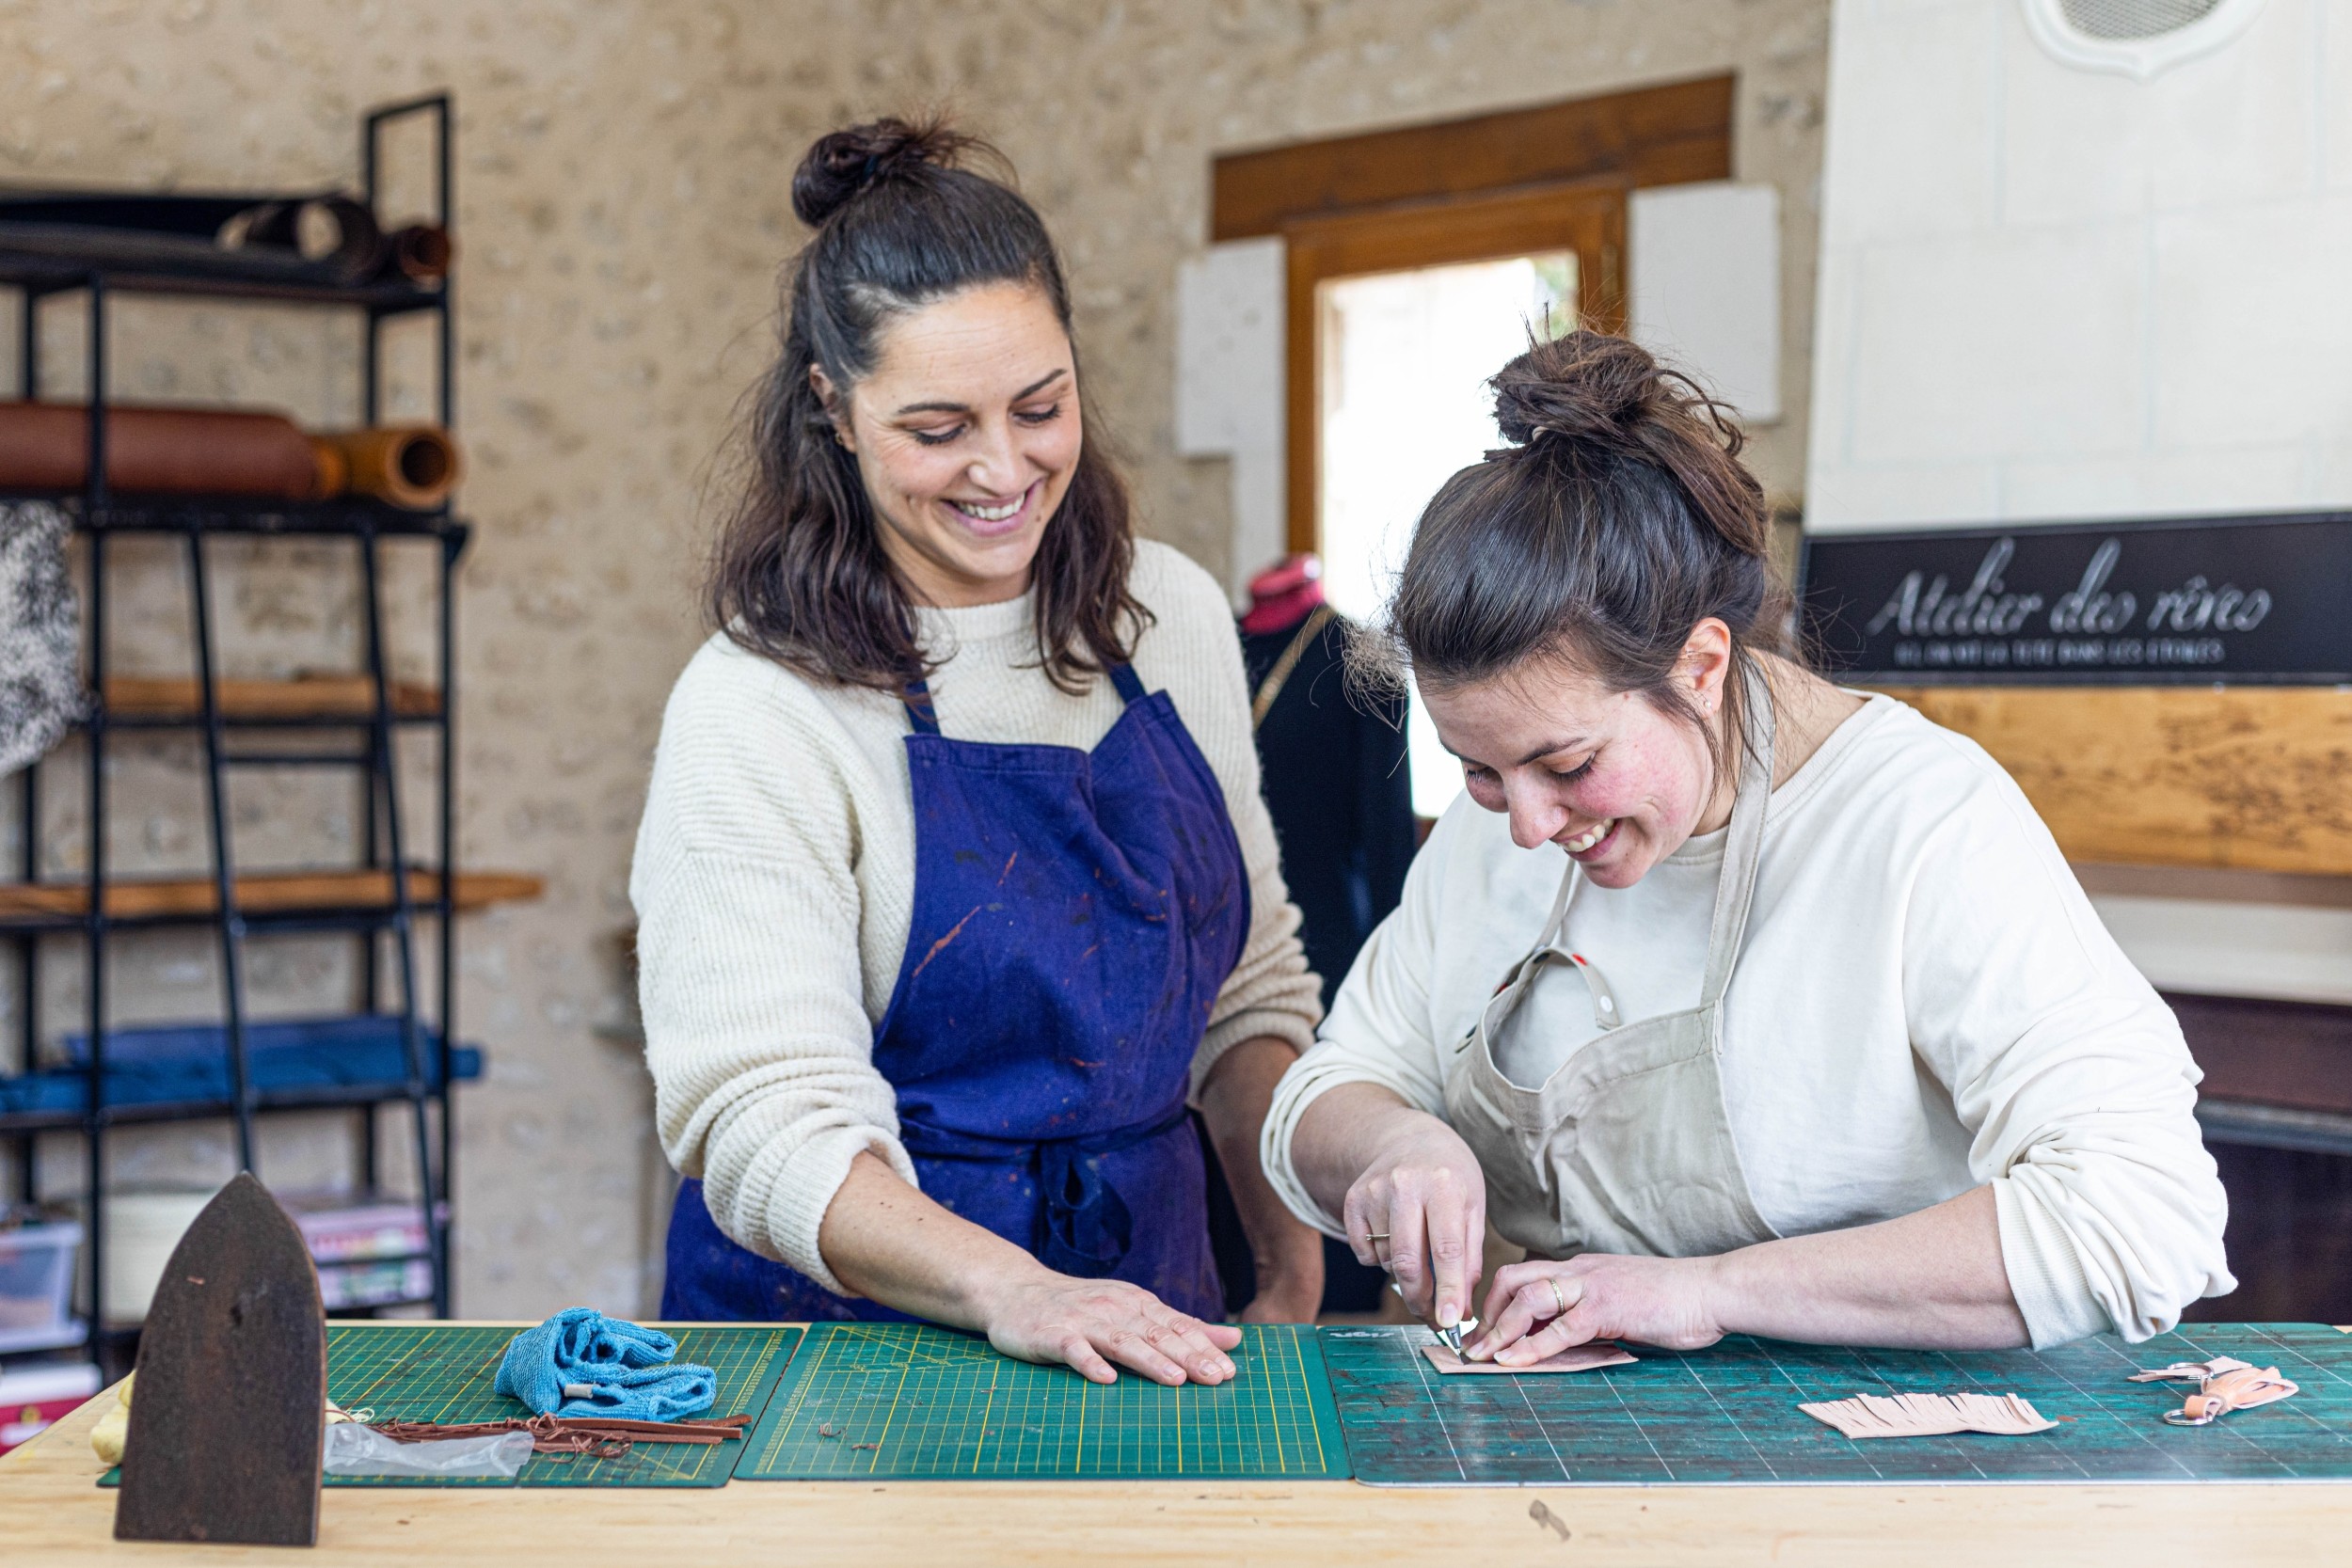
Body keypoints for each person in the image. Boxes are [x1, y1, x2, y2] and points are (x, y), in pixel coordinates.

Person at [1262, 331, 2233, 1366]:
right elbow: (1322, 1093)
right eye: (1479, 769)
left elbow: (2143, 1218)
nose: (1528, 825)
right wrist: (1393, 1141)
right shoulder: (1494, 830)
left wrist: (1707, 1291)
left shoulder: (1919, 824)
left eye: (1569, 764)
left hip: (1887, 1461)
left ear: (1701, 665)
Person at [633, 118, 1325, 1386]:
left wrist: (1286, 1265)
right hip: (837, 1351)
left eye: (1040, 405)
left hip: (1152, 1307)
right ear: (833, 409)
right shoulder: (760, 703)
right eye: (939, 427)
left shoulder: (1168, 619)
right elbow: (762, 1121)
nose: (1005, 467)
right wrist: (1021, 1289)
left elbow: (1246, 991)